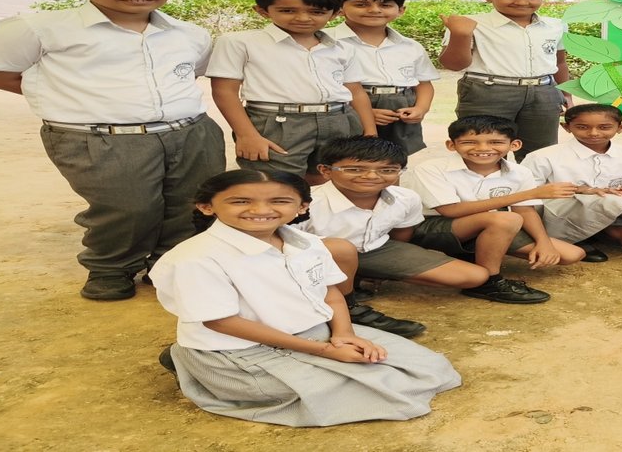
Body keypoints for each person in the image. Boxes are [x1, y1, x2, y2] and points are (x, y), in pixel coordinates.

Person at [0, 0, 227, 300]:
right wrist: (64, 97)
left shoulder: (188, 33)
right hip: (100, 138)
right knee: (126, 208)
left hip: (191, 131)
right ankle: (111, 270)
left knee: (190, 204)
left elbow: (190, 73)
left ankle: (168, 266)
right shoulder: (40, 29)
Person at [151, 169, 461, 426]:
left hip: (311, 332)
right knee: (362, 396)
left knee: (429, 369)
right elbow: (221, 322)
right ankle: (190, 363)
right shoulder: (195, 258)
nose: (260, 210)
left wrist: (344, 334)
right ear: (207, 207)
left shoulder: (307, 242)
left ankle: (189, 361)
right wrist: (324, 351)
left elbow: (330, 292)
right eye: (241, 201)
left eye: (279, 201)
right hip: (238, 348)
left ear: (301, 207)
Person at [300, 136, 505, 336]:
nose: (371, 176)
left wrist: (394, 265)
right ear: (326, 171)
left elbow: (402, 233)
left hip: (376, 250)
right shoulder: (306, 203)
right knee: (341, 248)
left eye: (387, 170)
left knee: (476, 276)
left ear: (400, 171)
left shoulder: (405, 198)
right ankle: (348, 306)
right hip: (319, 259)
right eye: (355, 169)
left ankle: (366, 275)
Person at [207, 0, 376, 184]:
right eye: (287, 10)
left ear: (335, 14)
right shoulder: (239, 42)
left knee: (329, 178)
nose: (303, 18)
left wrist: (370, 132)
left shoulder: (343, 48)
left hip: (340, 119)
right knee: (277, 183)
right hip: (277, 123)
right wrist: (246, 135)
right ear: (262, 11)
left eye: (317, 12)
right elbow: (225, 91)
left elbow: (355, 91)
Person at [401, 115, 585, 304]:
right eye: (469, 142)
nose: (483, 148)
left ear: (514, 145)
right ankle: (488, 283)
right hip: (432, 227)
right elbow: (451, 211)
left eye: (495, 142)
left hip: (488, 225)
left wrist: (543, 242)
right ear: (451, 145)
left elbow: (525, 210)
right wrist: (530, 193)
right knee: (506, 219)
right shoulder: (431, 168)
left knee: (571, 254)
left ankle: (471, 253)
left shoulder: (520, 172)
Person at [438, 0, 569, 160]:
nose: (521, 2)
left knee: (540, 153)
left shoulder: (555, 25)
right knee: (486, 149)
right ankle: (487, 180)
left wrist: (567, 94)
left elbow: (560, 63)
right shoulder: (469, 24)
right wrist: (460, 34)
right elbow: (454, 65)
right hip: (488, 92)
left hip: (544, 93)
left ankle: (535, 181)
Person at [520, 103, 622, 261]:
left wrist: (619, 194)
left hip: (608, 207)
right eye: (582, 127)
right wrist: (583, 191)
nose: (594, 133)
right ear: (566, 127)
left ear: (621, 127)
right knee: (607, 202)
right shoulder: (542, 156)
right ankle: (575, 237)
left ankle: (593, 232)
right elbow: (527, 192)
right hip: (561, 211)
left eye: (604, 127)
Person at [325, 0, 440, 155]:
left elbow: (424, 83)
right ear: (339, 9)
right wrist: (363, 112)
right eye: (361, 5)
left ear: (401, 10)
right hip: (349, 107)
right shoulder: (326, 42)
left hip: (401, 108)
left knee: (401, 157)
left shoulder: (410, 46)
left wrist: (420, 109)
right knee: (353, 156)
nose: (374, 10)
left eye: (385, 5)